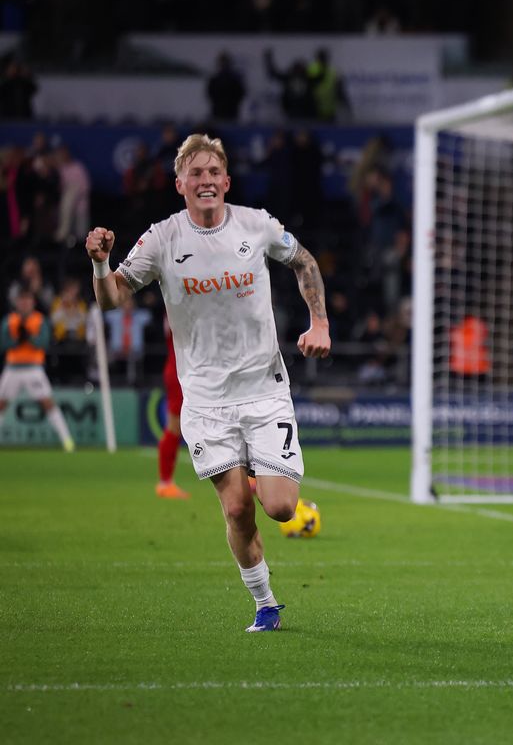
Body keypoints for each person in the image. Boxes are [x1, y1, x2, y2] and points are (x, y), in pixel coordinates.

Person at [85, 133, 331, 633]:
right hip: (206, 401)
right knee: (238, 509)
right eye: (195, 173)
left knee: (281, 508)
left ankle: (263, 469)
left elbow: (304, 261)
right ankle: (265, 604)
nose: (206, 181)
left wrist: (319, 322)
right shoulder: (161, 239)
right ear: (179, 184)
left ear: (227, 181)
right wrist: (99, 261)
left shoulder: (256, 225)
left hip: (264, 389)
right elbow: (110, 299)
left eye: (213, 172)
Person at [0, 287, 75, 452]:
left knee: (48, 403)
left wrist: (29, 337)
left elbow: (44, 343)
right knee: (1, 404)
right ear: (17, 303)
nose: (25, 304)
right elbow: (3, 344)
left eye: (28, 300)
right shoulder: (9, 320)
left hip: (33, 369)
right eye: (22, 300)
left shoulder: (40, 320)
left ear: (32, 303)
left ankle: (67, 441)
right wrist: (17, 340)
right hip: (12, 368)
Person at [156, 317, 189, 499]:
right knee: (174, 426)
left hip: (181, 369)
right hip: (181, 371)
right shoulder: (174, 308)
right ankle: (165, 483)